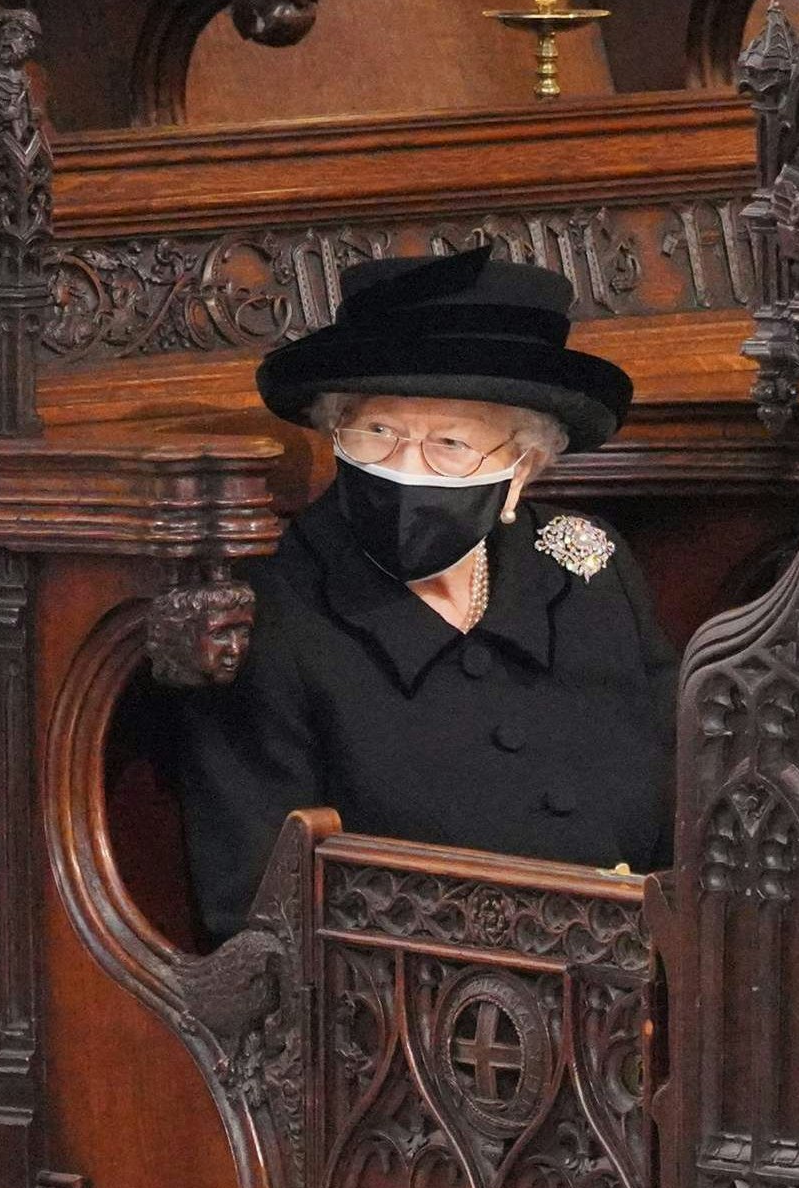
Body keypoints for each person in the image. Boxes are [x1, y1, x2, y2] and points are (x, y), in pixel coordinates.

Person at [167, 245, 674, 943]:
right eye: (377, 433)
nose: (407, 470)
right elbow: (258, 919)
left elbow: (688, 808)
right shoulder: (271, 611)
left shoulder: (589, 569)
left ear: (521, 473)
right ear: (333, 434)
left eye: (451, 444)